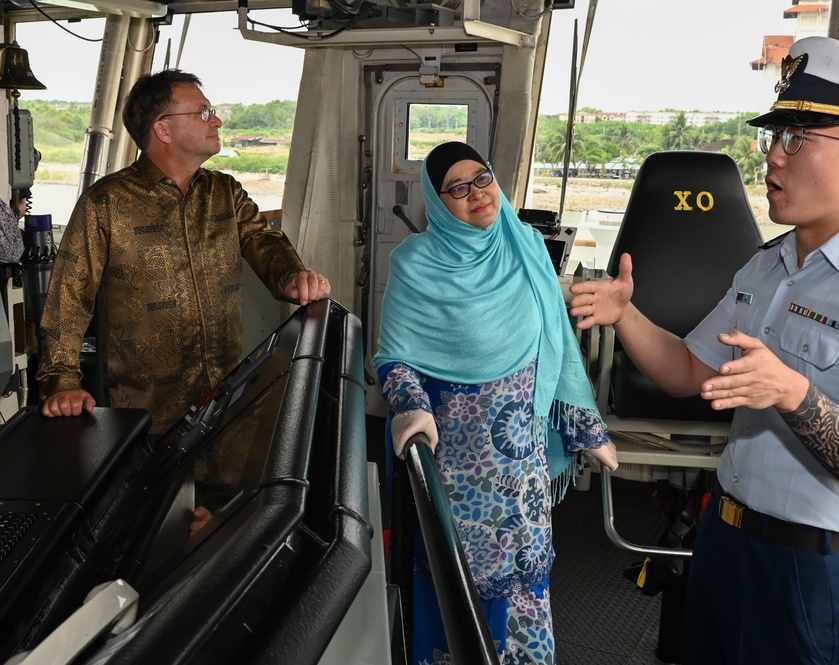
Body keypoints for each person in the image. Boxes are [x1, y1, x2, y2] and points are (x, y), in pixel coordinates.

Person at [569, 36, 839, 665]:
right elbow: (688, 371)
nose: (772, 160)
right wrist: (626, 315)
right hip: (724, 542)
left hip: (814, 572)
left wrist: (794, 395)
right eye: (774, 139)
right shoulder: (768, 267)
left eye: (798, 140)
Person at [372, 141, 617, 665]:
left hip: (523, 468)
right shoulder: (414, 264)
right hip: (459, 471)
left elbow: (556, 342)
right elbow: (393, 357)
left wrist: (584, 426)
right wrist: (411, 406)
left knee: (526, 587)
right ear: (437, 203)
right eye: (456, 189)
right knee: (459, 590)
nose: (476, 195)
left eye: (481, 178)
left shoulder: (526, 243)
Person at [36, 69, 330, 436]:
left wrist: (292, 277)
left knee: (226, 494)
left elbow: (263, 240)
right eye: (204, 112)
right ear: (164, 129)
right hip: (144, 418)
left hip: (224, 402)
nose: (217, 120)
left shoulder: (224, 191)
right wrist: (62, 382)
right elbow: (69, 298)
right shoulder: (106, 203)